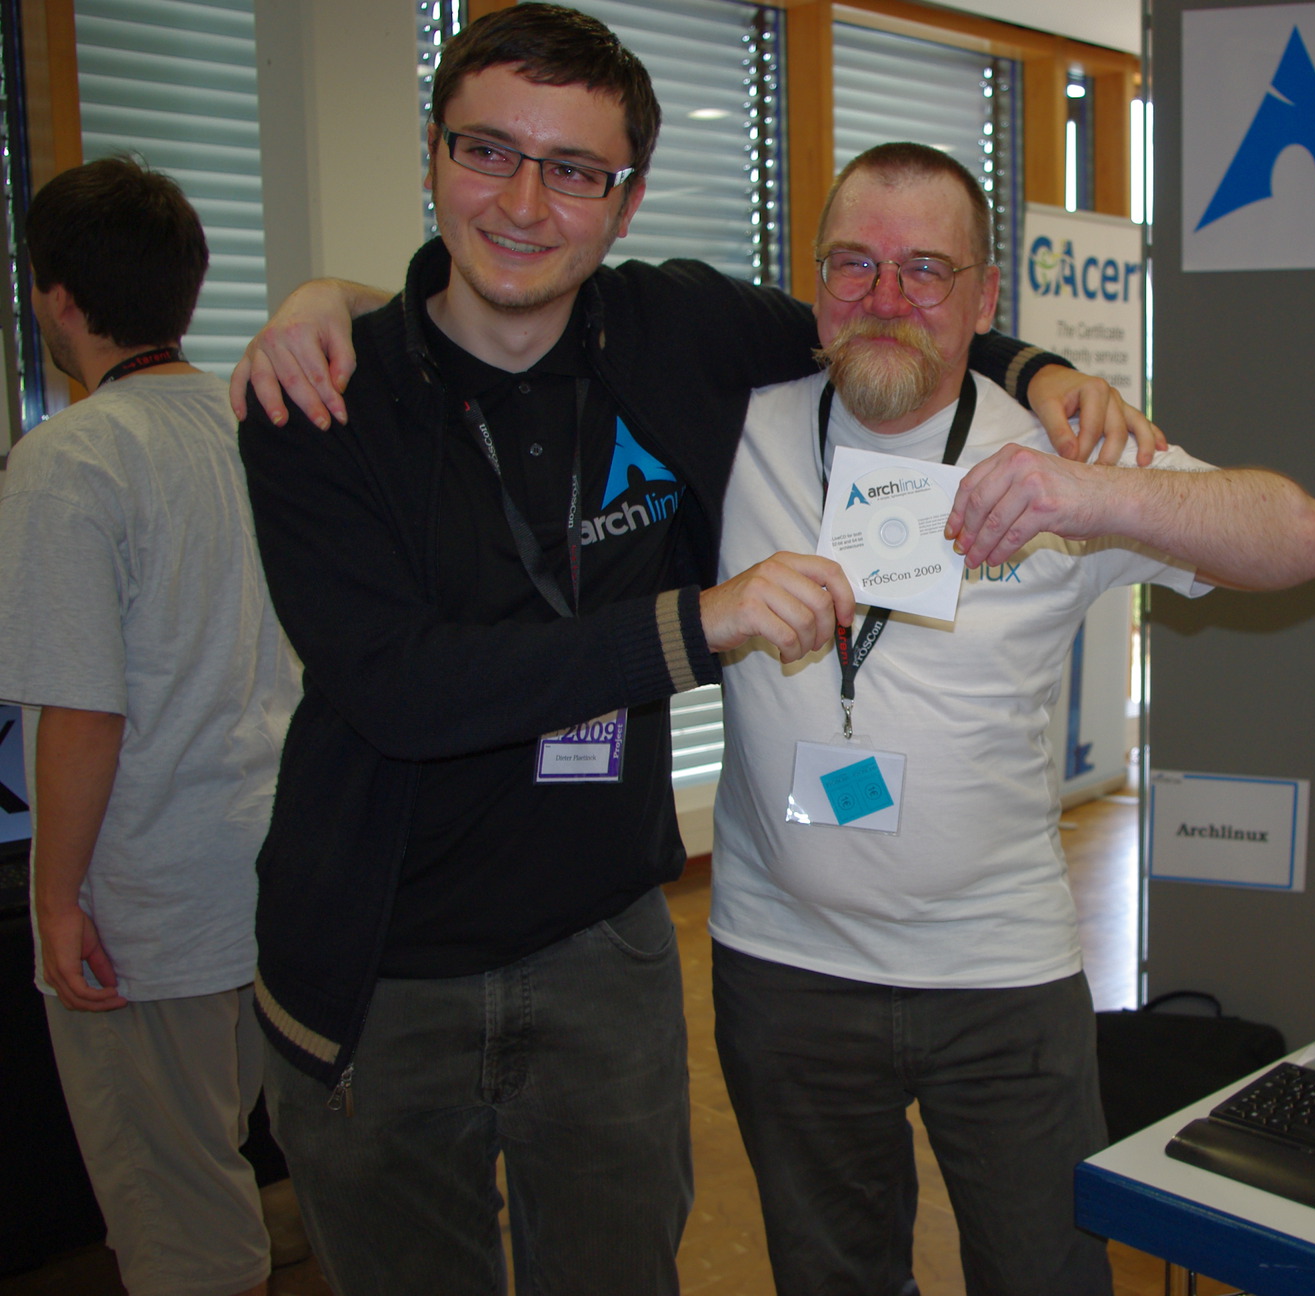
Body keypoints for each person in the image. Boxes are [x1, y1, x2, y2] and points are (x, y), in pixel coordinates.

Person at [230, 7, 1145, 1294]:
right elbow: (400, 690)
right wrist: (695, 625)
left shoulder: (673, 333)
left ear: (626, 199)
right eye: (488, 151)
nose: (524, 203)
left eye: (574, 170)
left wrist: (1034, 367)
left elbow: (883, 319)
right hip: (378, 974)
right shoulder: (319, 399)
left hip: (600, 956)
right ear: (432, 155)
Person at [707, 141, 1315, 1295]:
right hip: (783, 970)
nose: (885, 297)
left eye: (925, 270)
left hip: (999, 975)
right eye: (853, 264)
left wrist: (1095, 493)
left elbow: (1304, 539)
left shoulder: (1058, 453)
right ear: (814, 277)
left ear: (984, 297)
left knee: (1045, 1273)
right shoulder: (732, 429)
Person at [0, 157, 300, 1296]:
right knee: (273, 1169)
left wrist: (55, 903)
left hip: (150, 904)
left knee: (179, 1219)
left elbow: (82, 711)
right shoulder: (258, 430)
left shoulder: (67, 460)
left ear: (56, 298)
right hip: (279, 866)